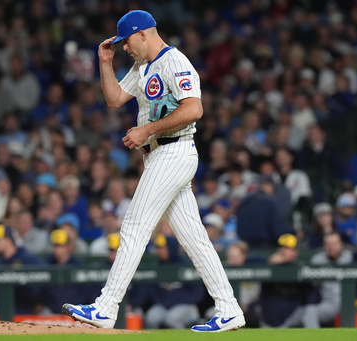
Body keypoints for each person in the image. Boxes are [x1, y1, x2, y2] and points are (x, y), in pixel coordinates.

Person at [62, 10, 245, 332]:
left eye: (127, 41)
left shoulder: (175, 62)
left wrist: (147, 130)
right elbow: (116, 98)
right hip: (162, 155)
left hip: (173, 152)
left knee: (133, 227)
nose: (125, 48)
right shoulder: (143, 66)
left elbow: (194, 108)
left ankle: (106, 306)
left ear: (143, 33)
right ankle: (229, 309)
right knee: (195, 240)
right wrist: (105, 63)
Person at [301, 232, 353, 328]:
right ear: (324, 245)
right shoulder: (318, 260)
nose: (331, 247)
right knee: (308, 311)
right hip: (328, 304)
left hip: (349, 303)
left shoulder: (350, 258)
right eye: (328, 244)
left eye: (334, 244)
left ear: (341, 244)